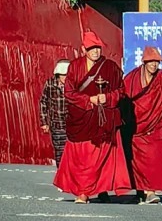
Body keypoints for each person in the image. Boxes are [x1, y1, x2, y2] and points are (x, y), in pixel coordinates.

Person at [54, 30, 130, 205]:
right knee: (84, 158)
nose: (95, 51)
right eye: (91, 48)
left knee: (101, 158)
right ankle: (84, 190)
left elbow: (121, 90)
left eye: (98, 48)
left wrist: (107, 98)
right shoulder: (75, 66)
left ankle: (92, 191)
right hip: (82, 118)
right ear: (83, 49)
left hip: (103, 120)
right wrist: (89, 100)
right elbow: (69, 92)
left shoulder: (110, 67)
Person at [123, 45, 162, 204]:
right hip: (138, 126)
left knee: (157, 159)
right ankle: (143, 190)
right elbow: (123, 99)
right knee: (138, 160)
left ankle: (151, 191)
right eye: (151, 61)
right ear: (144, 62)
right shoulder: (132, 77)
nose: (154, 64)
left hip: (158, 124)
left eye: (157, 61)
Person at [39, 59, 70, 167]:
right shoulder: (50, 84)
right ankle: (62, 175)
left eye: (67, 74)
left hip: (72, 124)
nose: (65, 77)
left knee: (72, 152)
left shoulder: (74, 84)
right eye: (63, 75)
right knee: (60, 151)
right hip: (57, 124)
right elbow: (43, 102)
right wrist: (44, 122)